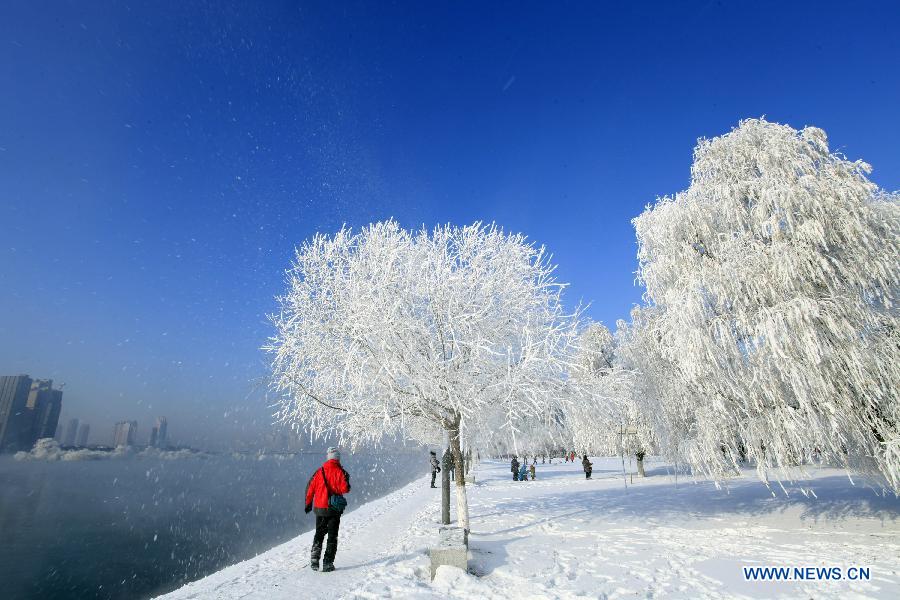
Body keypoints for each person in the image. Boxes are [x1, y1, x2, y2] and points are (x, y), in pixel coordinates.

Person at [305, 447, 351, 572]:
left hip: (320, 508)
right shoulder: (341, 472)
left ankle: (314, 560)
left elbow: (310, 488)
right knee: (332, 536)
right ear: (338, 458)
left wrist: (308, 504)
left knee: (319, 534)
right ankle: (327, 563)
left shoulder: (319, 471)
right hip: (333, 510)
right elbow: (345, 489)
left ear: (328, 457)